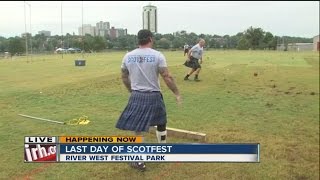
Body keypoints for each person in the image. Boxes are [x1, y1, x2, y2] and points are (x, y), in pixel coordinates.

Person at [116, 29, 182, 171]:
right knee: (161, 121)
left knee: (138, 130)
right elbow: (167, 76)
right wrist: (176, 92)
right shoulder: (158, 55)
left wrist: (131, 91)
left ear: (138, 40)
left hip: (137, 95)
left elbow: (124, 76)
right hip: (154, 95)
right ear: (151, 39)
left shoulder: (128, 56)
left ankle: (139, 161)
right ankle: (162, 150)